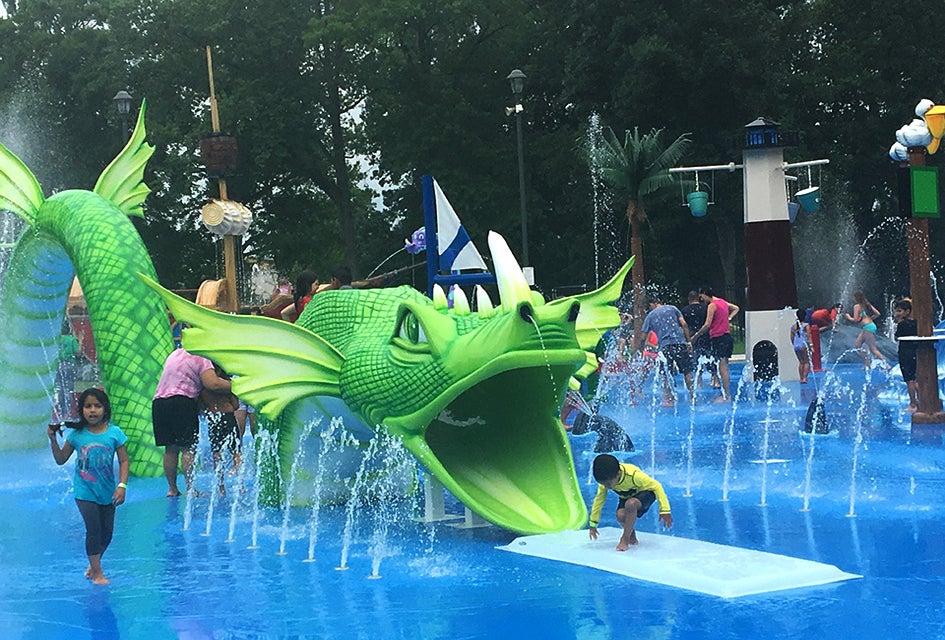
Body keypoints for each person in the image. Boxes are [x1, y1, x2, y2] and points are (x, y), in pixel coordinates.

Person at [47, 388, 129, 585]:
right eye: (88, 406)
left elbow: (124, 461)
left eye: (97, 406)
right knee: (93, 530)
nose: (92, 410)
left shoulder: (115, 433)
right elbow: (60, 460)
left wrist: (122, 485)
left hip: (107, 490)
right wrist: (52, 439)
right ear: (81, 410)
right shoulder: (76, 435)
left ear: (105, 409)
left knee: (107, 533)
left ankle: (94, 564)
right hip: (84, 491)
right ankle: (98, 573)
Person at [152, 347, 232, 497]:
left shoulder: (175, 353)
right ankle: (191, 489)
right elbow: (212, 383)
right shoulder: (201, 356)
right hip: (181, 401)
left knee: (170, 448)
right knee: (188, 448)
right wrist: (236, 386)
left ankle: (172, 488)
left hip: (159, 402)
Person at [587, 454, 672, 551]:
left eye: (608, 484)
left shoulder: (633, 476)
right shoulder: (606, 481)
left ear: (618, 474)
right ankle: (632, 537)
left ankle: (624, 539)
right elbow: (599, 501)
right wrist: (593, 524)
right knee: (620, 515)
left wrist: (665, 510)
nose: (606, 487)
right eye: (603, 484)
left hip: (646, 493)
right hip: (627, 497)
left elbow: (657, 486)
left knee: (630, 504)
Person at [638, 295, 693, 406]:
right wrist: (688, 341)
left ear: (653, 303)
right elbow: (684, 324)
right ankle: (693, 397)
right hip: (680, 343)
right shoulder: (673, 308)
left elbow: (643, 337)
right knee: (687, 372)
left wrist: (640, 349)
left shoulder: (650, 316)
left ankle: (670, 400)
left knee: (666, 374)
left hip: (665, 347)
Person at [689, 287, 740, 402]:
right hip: (727, 337)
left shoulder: (712, 305)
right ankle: (726, 393)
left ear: (705, 294)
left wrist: (695, 336)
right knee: (724, 365)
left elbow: (707, 325)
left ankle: (727, 396)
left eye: (701, 297)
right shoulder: (722, 302)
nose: (701, 299)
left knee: (723, 367)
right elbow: (736, 308)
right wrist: (729, 318)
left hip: (718, 337)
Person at [200, 364, 241, 494]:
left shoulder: (204, 388)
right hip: (228, 417)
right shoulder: (227, 387)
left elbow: (201, 407)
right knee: (236, 451)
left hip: (214, 419)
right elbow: (236, 405)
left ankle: (221, 487)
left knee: (217, 453)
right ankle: (241, 485)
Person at [681, 290, 719, 389]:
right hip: (706, 335)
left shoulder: (685, 310)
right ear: (698, 298)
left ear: (689, 299)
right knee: (710, 357)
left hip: (693, 337)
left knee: (695, 359)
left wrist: (687, 339)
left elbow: (684, 326)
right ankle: (716, 380)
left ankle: (699, 382)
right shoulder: (705, 308)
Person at [845, 291, 887, 369]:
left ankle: (886, 365)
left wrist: (848, 317)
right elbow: (878, 313)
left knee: (873, 349)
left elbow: (855, 320)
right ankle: (867, 364)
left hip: (868, 327)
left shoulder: (857, 306)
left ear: (856, 298)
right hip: (869, 326)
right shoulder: (867, 305)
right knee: (858, 345)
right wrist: (870, 319)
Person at [894, 299, 918, 412]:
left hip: (905, 353)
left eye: (899, 311)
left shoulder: (902, 324)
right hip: (916, 352)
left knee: (909, 380)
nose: (897, 313)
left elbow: (896, 337)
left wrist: (898, 322)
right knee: (916, 379)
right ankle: (924, 400)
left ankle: (913, 403)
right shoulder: (917, 323)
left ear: (907, 311)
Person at [791, 308, 811, 383]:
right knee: (806, 361)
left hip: (796, 346)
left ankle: (801, 378)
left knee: (801, 362)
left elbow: (791, 338)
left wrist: (794, 345)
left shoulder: (793, 326)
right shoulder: (806, 325)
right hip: (803, 345)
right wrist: (811, 346)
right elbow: (809, 336)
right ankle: (805, 378)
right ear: (805, 316)